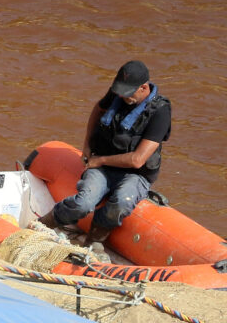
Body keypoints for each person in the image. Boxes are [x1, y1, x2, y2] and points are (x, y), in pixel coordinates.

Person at [45, 59, 172, 244]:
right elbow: (98, 109)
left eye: (128, 93)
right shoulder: (118, 93)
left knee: (121, 203)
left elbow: (137, 160)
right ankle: (47, 221)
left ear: (143, 88)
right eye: (119, 92)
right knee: (83, 203)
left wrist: (101, 160)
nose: (122, 97)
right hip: (102, 167)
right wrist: (87, 146)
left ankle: (94, 240)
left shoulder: (160, 112)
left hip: (134, 174)